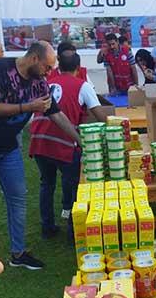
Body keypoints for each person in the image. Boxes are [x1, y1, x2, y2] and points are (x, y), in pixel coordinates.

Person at [0, 41, 80, 270]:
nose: (50, 72)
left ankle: (18, 253)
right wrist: (28, 107)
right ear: (34, 58)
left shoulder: (39, 83)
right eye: (47, 66)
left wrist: (80, 140)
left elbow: (54, 113)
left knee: (17, 197)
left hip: (7, 148)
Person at [30, 50, 106, 238]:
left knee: (46, 184)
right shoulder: (82, 85)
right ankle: (74, 231)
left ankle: (47, 227)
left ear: (58, 66)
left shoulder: (47, 83)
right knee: (74, 188)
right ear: (78, 68)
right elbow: (99, 114)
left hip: (38, 139)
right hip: (63, 140)